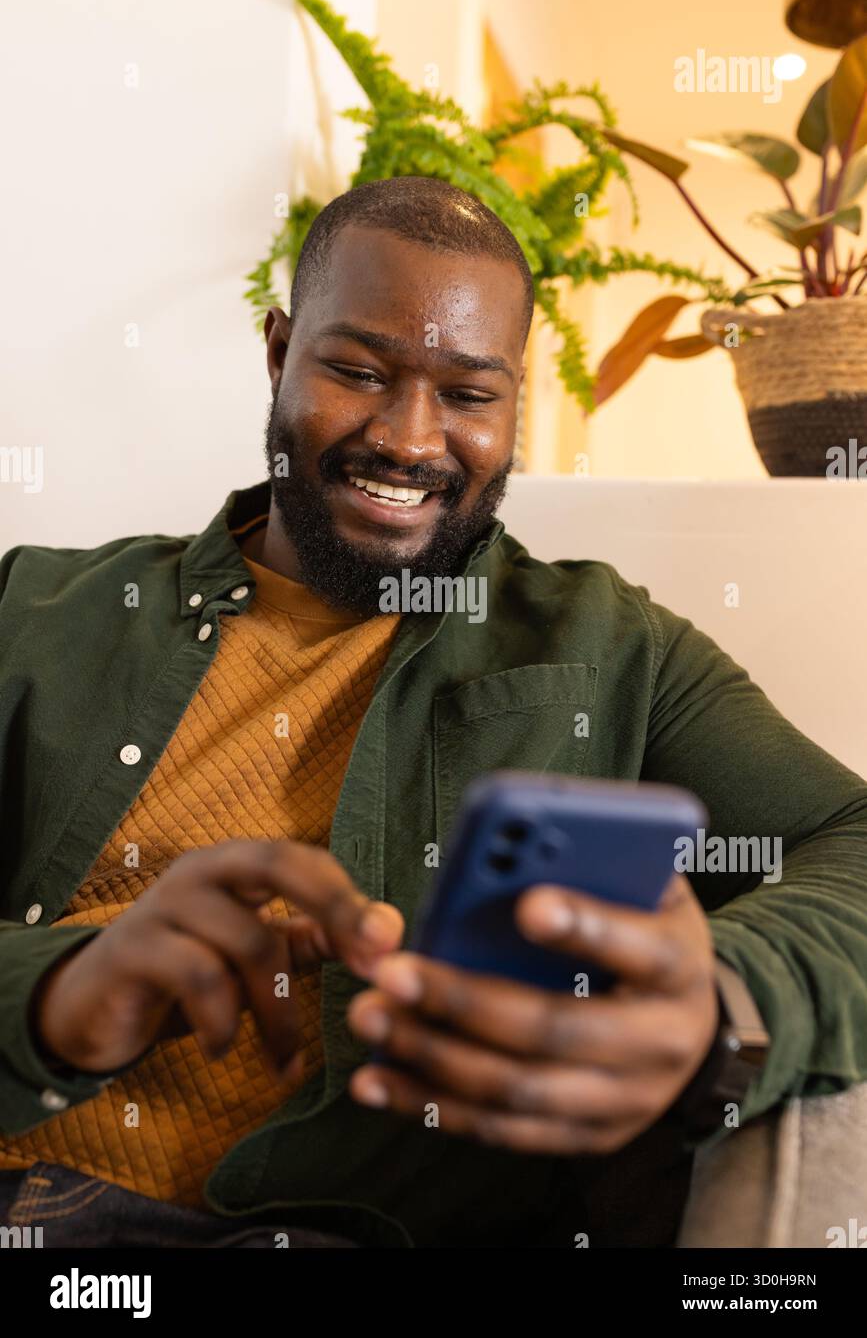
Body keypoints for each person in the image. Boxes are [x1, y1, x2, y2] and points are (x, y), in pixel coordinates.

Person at [1, 176, 866, 1249]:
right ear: (278, 354)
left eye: (467, 395)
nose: (410, 441)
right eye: (359, 372)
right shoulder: (33, 609)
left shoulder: (607, 645)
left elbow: (855, 841)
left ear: (515, 408)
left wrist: (728, 1003)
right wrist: (55, 994)